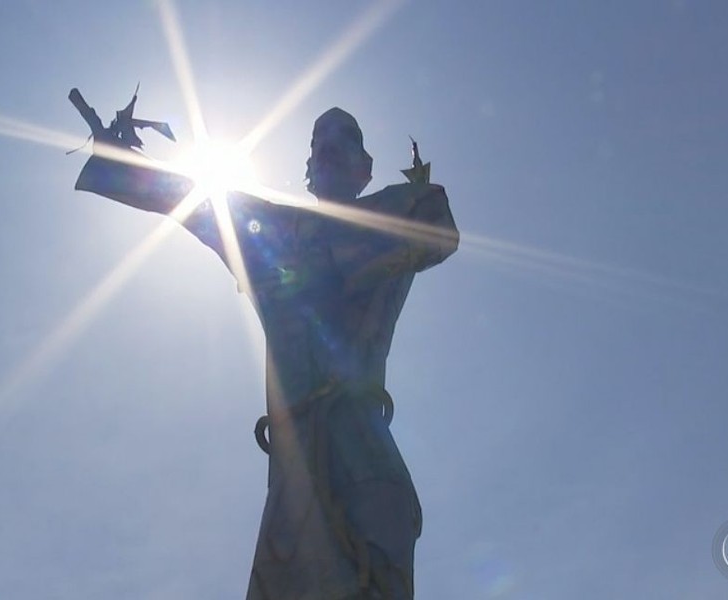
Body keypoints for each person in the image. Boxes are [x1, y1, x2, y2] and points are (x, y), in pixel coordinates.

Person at [73, 104, 458, 599]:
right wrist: (118, 162)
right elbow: (187, 199)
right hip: (293, 479)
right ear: (308, 168)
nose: (328, 145)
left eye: (347, 137)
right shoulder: (274, 236)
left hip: (363, 458)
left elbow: (436, 226)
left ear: (366, 170)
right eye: (318, 139)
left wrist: (331, 251)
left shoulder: (391, 217)